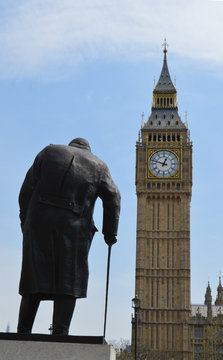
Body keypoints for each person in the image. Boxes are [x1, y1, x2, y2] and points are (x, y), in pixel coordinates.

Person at [17, 138, 121, 335]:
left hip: (38, 222)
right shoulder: (99, 165)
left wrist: (25, 219)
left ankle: (23, 331)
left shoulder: (48, 152)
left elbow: (26, 189)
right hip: (74, 228)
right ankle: (60, 332)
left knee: (33, 278)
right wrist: (110, 233)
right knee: (69, 280)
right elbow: (113, 197)